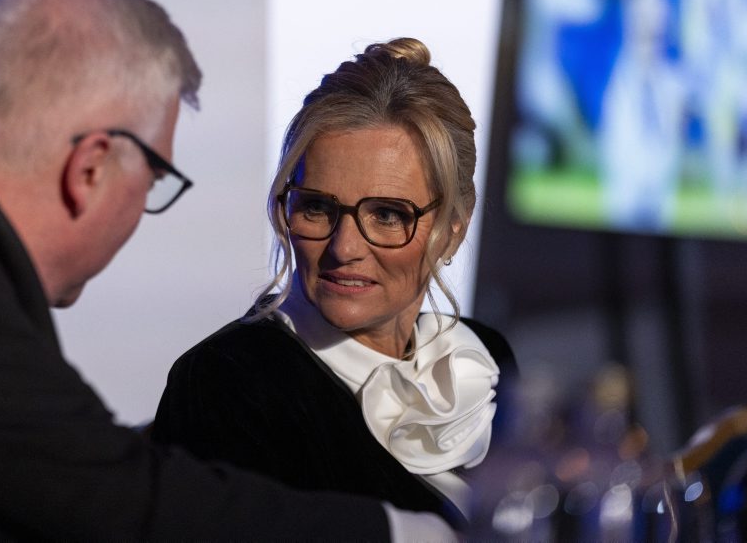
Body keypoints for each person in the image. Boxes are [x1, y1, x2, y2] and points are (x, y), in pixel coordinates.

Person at [0, 0, 456, 540]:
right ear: (91, 168)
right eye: (155, 178)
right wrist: (411, 534)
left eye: (388, 214)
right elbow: (102, 499)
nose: (347, 245)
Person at [151, 38, 518, 527]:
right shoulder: (228, 384)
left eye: (387, 214)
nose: (344, 248)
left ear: (454, 228)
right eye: (317, 207)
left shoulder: (485, 361)